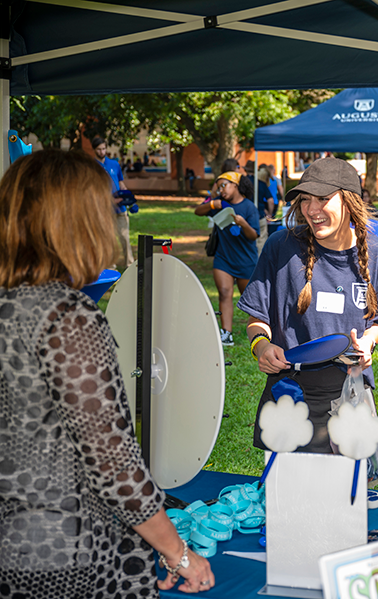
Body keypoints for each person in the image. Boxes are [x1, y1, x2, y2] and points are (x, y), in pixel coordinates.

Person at [0, 149, 215, 597]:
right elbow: (111, 459)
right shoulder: (66, 317)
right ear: (76, 221)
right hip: (66, 557)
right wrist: (178, 552)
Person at [238, 157, 378, 454]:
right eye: (306, 200)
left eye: (323, 199)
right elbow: (257, 317)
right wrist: (261, 345)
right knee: (287, 492)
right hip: (289, 391)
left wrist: (368, 342)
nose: (311, 210)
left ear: (349, 201)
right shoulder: (281, 247)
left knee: (346, 493)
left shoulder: (377, 253)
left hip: (350, 391)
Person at [194, 171, 259, 346]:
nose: (221, 190)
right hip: (224, 258)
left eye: (224, 185)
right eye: (218, 186)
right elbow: (198, 211)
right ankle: (226, 334)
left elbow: (253, 235)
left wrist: (243, 223)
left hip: (246, 260)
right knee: (224, 293)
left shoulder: (249, 207)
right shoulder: (219, 204)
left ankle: (263, 330)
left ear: (236, 185)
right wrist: (213, 204)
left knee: (251, 298)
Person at [92, 136, 133, 270]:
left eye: (104, 149)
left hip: (120, 208)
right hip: (104, 209)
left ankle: (130, 266)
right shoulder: (92, 167)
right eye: (99, 149)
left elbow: (121, 182)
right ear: (94, 150)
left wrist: (128, 198)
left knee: (125, 238)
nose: (102, 152)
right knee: (108, 240)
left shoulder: (114, 164)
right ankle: (110, 268)